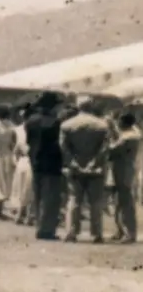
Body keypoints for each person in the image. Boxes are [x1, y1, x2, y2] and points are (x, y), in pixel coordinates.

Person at [60, 96, 111, 243]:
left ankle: (72, 232)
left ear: (77, 106)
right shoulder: (102, 125)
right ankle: (97, 233)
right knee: (96, 201)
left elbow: (63, 146)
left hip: (75, 167)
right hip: (96, 168)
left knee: (74, 199)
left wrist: (74, 162)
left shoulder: (67, 124)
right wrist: (94, 162)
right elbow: (105, 147)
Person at [25, 92, 66, 239]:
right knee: (51, 198)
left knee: (38, 196)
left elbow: (29, 141)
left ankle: (40, 226)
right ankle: (47, 230)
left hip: (35, 161)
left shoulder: (31, 121)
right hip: (52, 163)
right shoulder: (55, 122)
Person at [109, 112, 140, 244]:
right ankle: (121, 230)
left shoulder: (129, 137)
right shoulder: (133, 133)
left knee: (126, 202)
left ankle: (130, 233)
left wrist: (110, 136)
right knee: (118, 202)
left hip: (124, 170)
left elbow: (113, 149)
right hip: (122, 169)